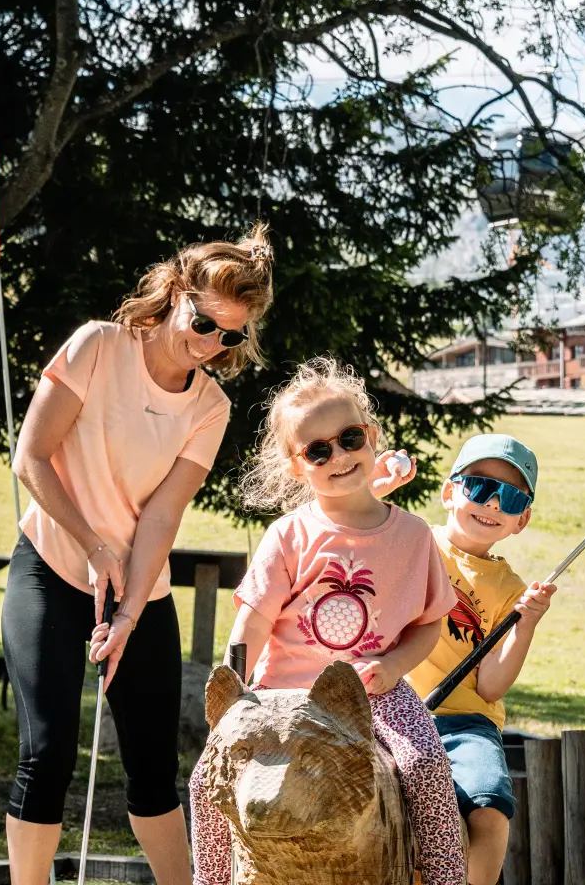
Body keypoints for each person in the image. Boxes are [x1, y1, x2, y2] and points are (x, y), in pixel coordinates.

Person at [5, 229, 275, 885]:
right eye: (204, 322)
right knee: (49, 754)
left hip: (139, 591)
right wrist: (94, 545)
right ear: (177, 292)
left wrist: (128, 614)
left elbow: (161, 516)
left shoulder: (209, 406)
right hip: (51, 568)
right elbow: (32, 459)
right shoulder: (97, 346)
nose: (211, 344)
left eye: (230, 337)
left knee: (154, 770)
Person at [189, 359, 467, 885]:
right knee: (206, 778)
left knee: (426, 764)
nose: (338, 456)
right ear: (298, 467)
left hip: (376, 695)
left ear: (373, 437)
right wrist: (236, 697)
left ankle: (444, 878)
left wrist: (392, 666)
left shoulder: (413, 537)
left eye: (349, 438)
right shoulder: (289, 535)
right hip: (276, 698)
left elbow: (428, 623)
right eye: (318, 450)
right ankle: (212, 879)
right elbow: (250, 623)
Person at [383, 434, 556, 885]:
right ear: (448, 492)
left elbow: (491, 687)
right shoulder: (412, 541)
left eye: (511, 497)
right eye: (479, 487)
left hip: (464, 724)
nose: (493, 504)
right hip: (390, 711)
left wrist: (526, 625)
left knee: (490, 809)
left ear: (523, 519)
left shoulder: (511, 589)